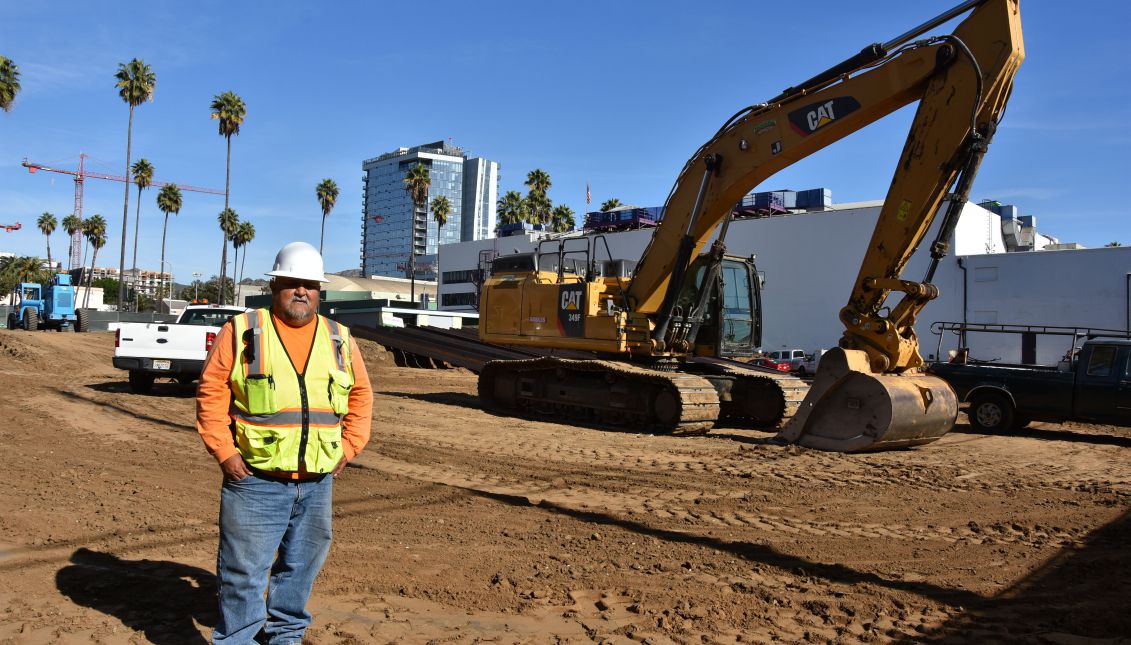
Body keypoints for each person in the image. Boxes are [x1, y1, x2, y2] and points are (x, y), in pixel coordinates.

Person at [196, 241, 373, 644]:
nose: (301, 291)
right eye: (291, 282)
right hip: (255, 480)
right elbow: (211, 393)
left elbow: (361, 395)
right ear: (274, 285)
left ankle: (285, 638)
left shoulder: (339, 338)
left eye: (309, 284)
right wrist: (224, 452)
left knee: (301, 569)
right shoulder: (243, 331)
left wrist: (349, 447)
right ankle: (238, 639)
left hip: (317, 482)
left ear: (319, 291)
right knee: (243, 573)